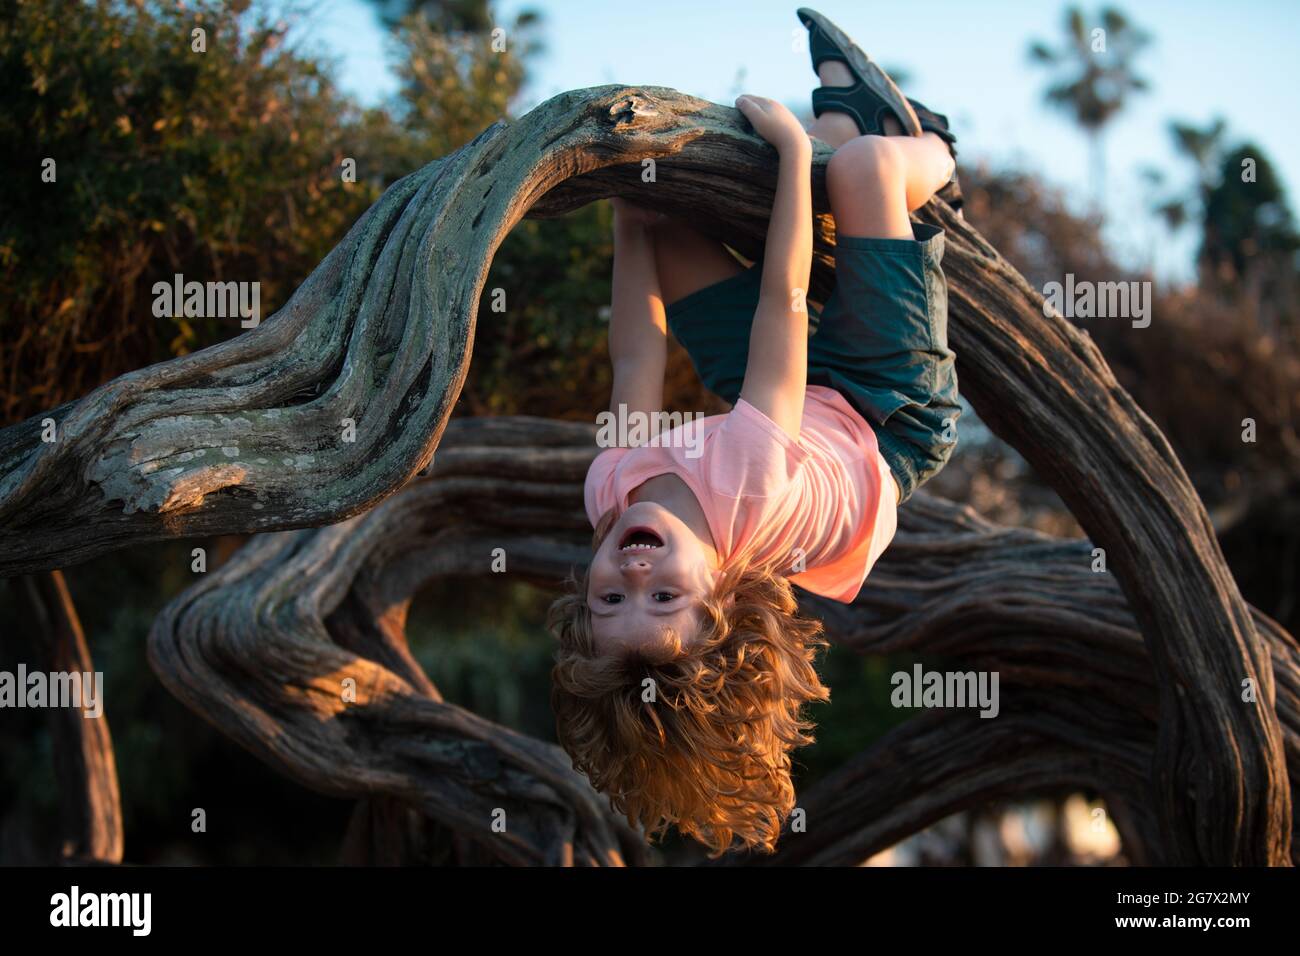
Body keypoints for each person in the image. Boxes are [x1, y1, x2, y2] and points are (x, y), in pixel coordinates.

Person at [549, 8, 962, 856]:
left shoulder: (608, 493)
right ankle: (936, 154)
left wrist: (629, 220)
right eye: (663, 597)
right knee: (862, 169)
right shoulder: (750, 481)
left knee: (671, 227)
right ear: (723, 599)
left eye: (608, 599)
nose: (631, 570)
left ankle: (846, 125)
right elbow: (783, 302)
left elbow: (638, 350)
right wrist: (791, 157)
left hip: (779, 398)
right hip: (884, 411)